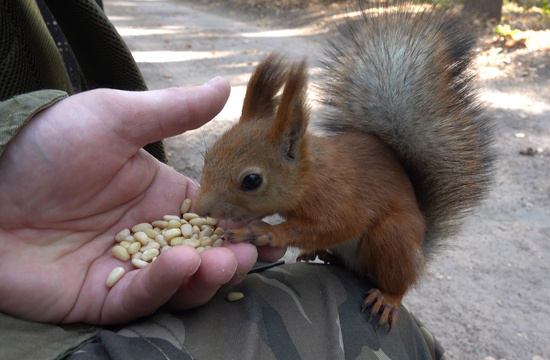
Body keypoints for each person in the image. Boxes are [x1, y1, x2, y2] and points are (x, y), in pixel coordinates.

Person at [0, 1, 445, 359]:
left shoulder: (324, 184)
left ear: (292, 148)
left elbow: (344, 224)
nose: (203, 206)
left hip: (381, 236)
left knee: (391, 238)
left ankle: (391, 291)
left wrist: (280, 231)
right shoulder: (292, 178)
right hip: (331, 237)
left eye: (248, 182)